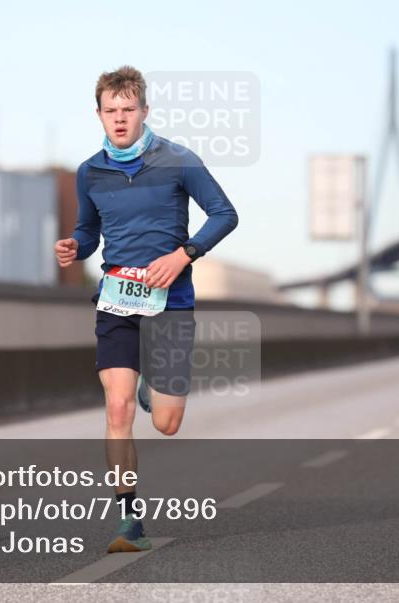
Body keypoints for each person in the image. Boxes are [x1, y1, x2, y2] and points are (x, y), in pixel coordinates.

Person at [53, 66, 238, 553]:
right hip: (117, 299)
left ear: (144, 111)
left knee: (167, 423)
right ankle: (129, 520)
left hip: (170, 302)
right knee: (116, 406)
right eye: (110, 111)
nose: (119, 119)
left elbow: (225, 214)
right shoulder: (90, 171)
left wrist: (184, 254)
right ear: (98, 114)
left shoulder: (178, 160)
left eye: (127, 110)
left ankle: (155, 391)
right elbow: (90, 231)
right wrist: (76, 245)